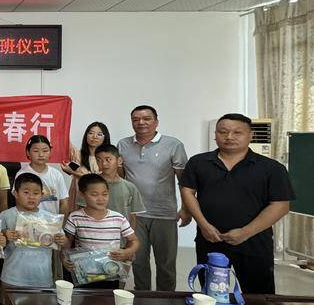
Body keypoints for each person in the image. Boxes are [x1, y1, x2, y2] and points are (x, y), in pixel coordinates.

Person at [180, 113, 294, 295]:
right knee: (211, 294)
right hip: (210, 239)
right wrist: (203, 225)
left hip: (254, 242)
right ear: (215, 134)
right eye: (223, 132)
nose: (229, 137)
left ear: (250, 135)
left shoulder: (271, 168)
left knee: (258, 297)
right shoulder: (198, 162)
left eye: (237, 132)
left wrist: (245, 232)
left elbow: (280, 206)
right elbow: (187, 191)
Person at [117, 105, 190, 291]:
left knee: (166, 263)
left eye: (146, 118)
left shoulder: (173, 145)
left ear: (156, 122)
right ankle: (143, 299)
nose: (141, 122)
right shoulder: (123, 145)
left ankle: (166, 300)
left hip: (164, 213)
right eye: (136, 119)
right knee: (138, 261)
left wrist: (185, 208)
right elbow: (121, 178)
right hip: (135, 214)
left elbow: (185, 181)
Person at [62, 174, 140, 289]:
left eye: (105, 194)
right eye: (94, 194)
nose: (101, 199)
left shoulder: (118, 218)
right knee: (82, 299)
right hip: (84, 273)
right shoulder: (75, 217)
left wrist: (128, 252)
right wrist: (64, 257)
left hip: (110, 271)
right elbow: (67, 242)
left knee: (107, 298)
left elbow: (134, 240)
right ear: (82, 195)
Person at [0, 173, 67, 293]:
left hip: (42, 278)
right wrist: (5, 235)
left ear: (42, 195)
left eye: (36, 193)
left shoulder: (50, 219)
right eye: (26, 192)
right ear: (15, 193)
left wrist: (62, 240)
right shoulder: (6, 215)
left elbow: (65, 243)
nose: (31, 197)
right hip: (12, 277)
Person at [88, 144, 145, 228]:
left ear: (119, 161)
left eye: (108, 159)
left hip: (120, 234)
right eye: (99, 160)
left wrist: (130, 235)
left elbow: (132, 217)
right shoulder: (90, 185)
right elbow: (82, 212)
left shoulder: (130, 187)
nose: (104, 164)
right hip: (95, 232)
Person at [16, 135, 70, 215]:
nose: (41, 154)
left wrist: (62, 222)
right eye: (36, 151)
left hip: (52, 221)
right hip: (30, 221)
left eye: (45, 151)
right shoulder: (21, 174)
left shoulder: (56, 174)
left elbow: (64, 203)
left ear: (50, 152)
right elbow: (19, 203)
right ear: (28, 152)